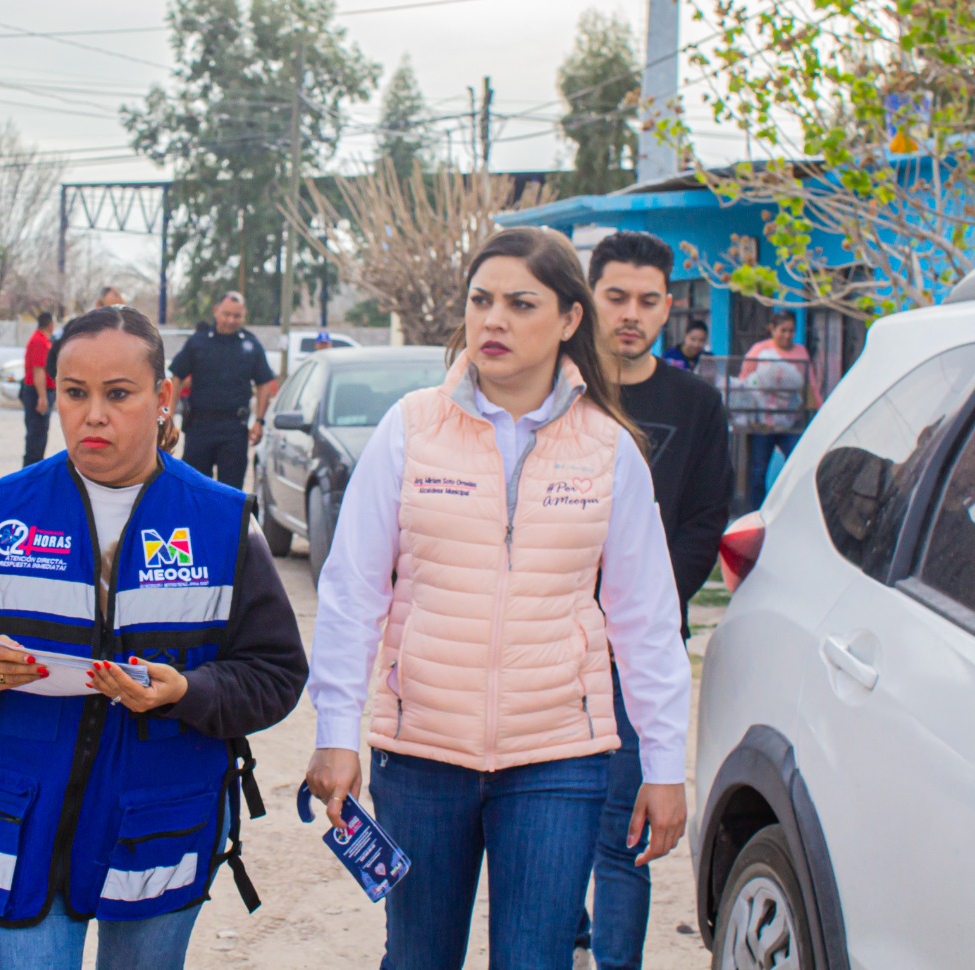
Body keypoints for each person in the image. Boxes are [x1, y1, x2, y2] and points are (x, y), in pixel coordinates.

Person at [302, 226, 691, 970]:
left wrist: (664, 765)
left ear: (570, 319)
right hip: (421, 754)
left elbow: (646, 620)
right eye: (481, 301)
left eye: (521, 303)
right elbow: (352, 591)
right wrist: (336, 730)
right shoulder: (411, 428)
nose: (494, 320)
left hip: (559, 759)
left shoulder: (609, 449)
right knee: (418, 959)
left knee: (535, 960)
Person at [0, 305, 307, 970]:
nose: (93, 415)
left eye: (118, 394)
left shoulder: (221, 523)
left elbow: (275, 673)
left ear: (163, 398)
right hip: (18, 817)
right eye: (75, 393)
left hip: (159, 822)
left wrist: (188, 692)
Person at [576, 231, 733, 969]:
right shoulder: (557, 389)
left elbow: (706, 519)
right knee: (548, 819)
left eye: (646, 301)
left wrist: (647, 606)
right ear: (589, 299)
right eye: (616, 297)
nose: (630, 315)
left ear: (668, 307)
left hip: (639, 654)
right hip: (551, 641)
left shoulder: (695, 403)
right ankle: (562, 941)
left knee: (623, 832)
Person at [168, 292, 276, 490]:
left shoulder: (251, 344)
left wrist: (259, 421)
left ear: (244, 315)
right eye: (227, 314)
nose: (231, 320)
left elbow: (264, 383)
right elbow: (176, 377)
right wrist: (169, 415)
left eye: (237, 316)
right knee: (193, 488)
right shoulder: (198, 342)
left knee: (231, 491)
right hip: (200, 427)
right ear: (216, 311)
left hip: (234, 429)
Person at [740, 309, 819, 507]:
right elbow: (745, 382)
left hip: (791, 422)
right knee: (758, 471)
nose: (787, 335)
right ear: (772, 329)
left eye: (791, 331)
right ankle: (756, 511)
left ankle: (793, 508)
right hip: (763, 424)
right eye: (783, 330)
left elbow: (810, 384)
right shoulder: (760, 351)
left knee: (797, 465)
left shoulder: (800, 352)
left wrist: (820, 409)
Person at [21, 311, 57, 466]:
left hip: (41, 391)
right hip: (37, 392)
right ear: (50, 325)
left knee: (40, 436)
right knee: (36, 437)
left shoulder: (43, 340)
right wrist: (42, 397)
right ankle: (31, 473)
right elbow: (38, 370)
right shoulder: (39, 341)